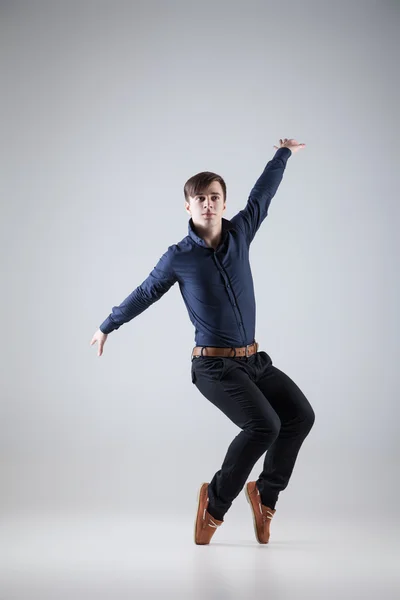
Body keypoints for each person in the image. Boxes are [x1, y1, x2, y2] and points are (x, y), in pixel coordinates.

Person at [90, 137, 315, 546]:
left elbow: (262, 195)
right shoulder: (178, 257)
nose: (208, 204)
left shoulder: (241, 232)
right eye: (200, 199)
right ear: (188, 206)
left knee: (300, 415)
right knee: (264, 425)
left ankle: (265, 495)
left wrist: (281, 155)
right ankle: (214, 503)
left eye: (214, 197)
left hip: (253, 361)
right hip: (213, 366)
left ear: (224, 204)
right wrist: (107, 325)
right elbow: (145, 292)